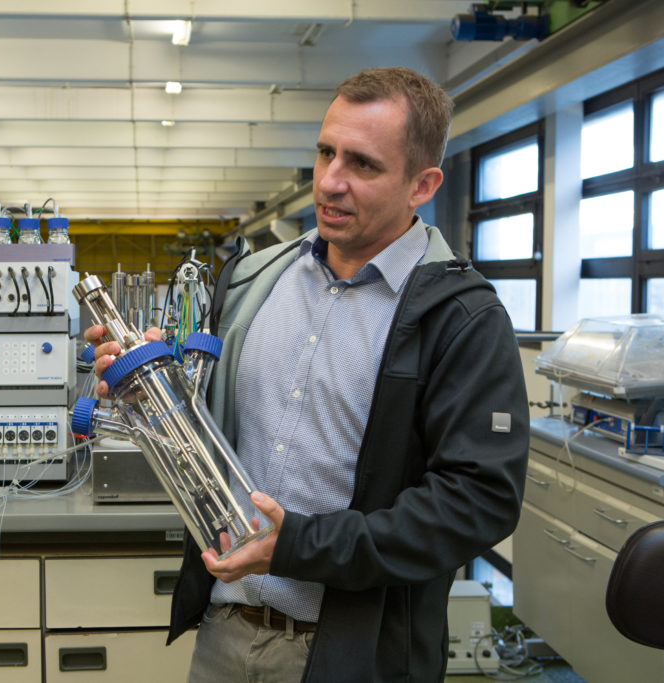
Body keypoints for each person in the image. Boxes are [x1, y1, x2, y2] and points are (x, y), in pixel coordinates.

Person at [86, 66, 529, 683]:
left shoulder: (462, 318)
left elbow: (478, 501)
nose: (331, 182)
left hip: (353, 653)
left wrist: (300, 545)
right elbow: (208, 432)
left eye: (363, 165)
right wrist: (151, 383)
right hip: (223, 632)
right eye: (325, 153)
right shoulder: (251, 282)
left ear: (422, 184)